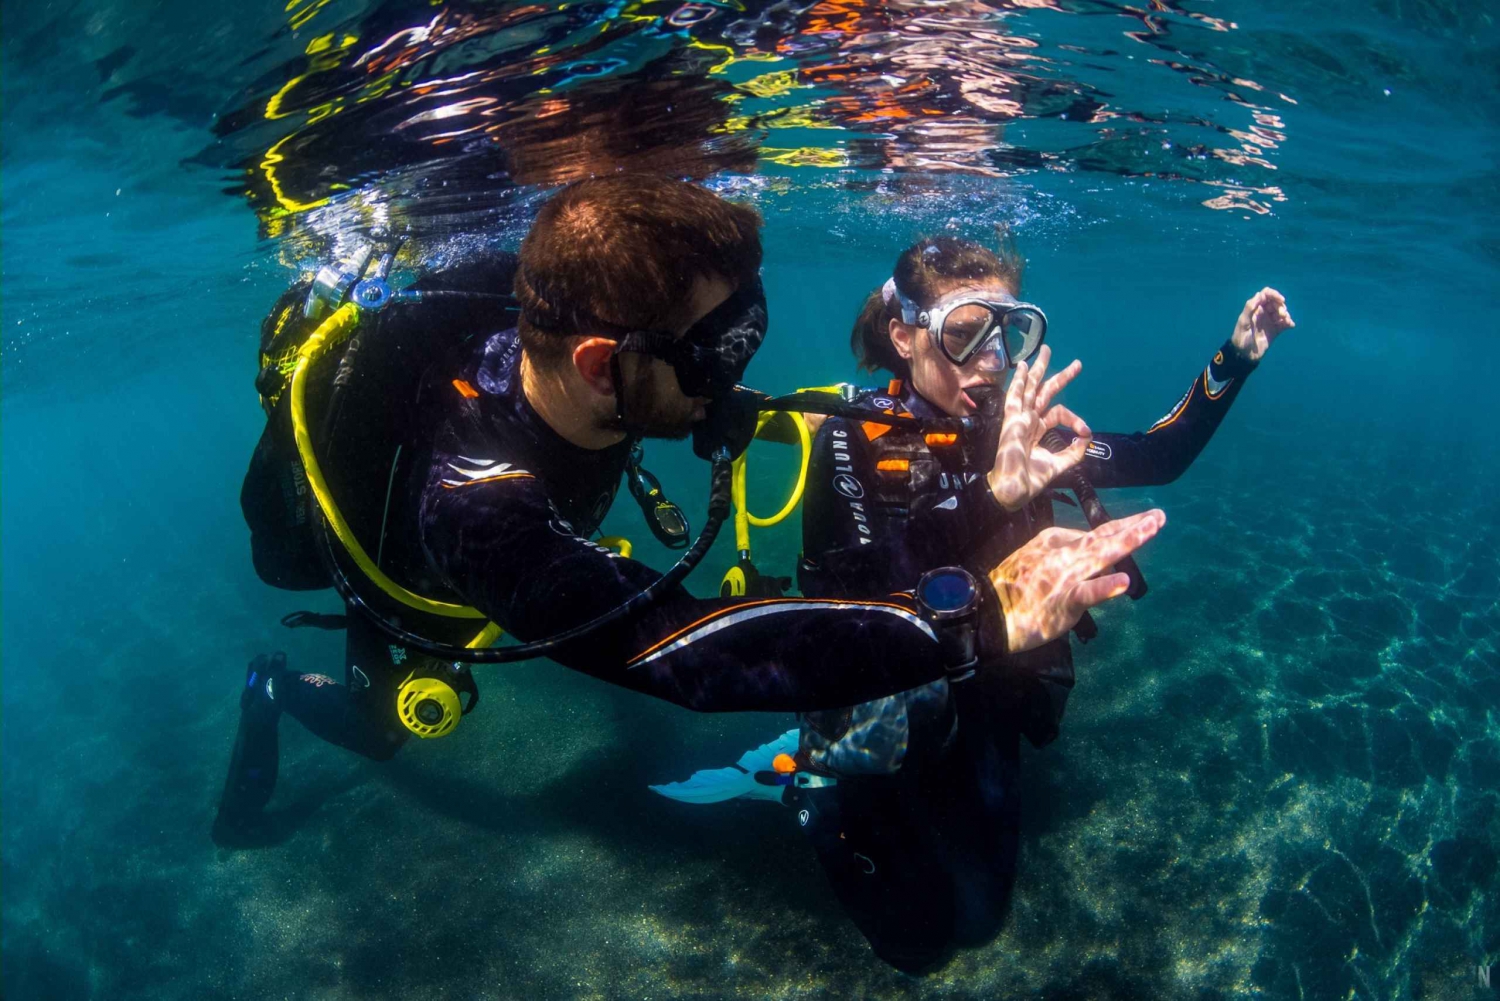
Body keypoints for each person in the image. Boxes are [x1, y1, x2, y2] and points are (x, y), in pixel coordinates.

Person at [215, 178, 1166, 845]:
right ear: (601, 366)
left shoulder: (588, 338)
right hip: (409, 583)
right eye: (717, 358)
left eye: (746, 334)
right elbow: (701, 654)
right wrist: (975, 622)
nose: (739, 379)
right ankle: (272, 691)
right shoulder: (476, 514)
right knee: (386, 728)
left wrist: (988, 489)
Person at [652, 234, 1295, 971]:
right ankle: (804, 786)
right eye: (965, 334)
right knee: (914, 944)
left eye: (1009, 333)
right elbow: (842, 598)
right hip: (878, 685)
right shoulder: (852, 438)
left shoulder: (1022, 432)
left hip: (986, 679)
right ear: (905, 335)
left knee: (982, 920)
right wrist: (991, 517)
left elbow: (1162, 454)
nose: (992, 361)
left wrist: (1236, 356)